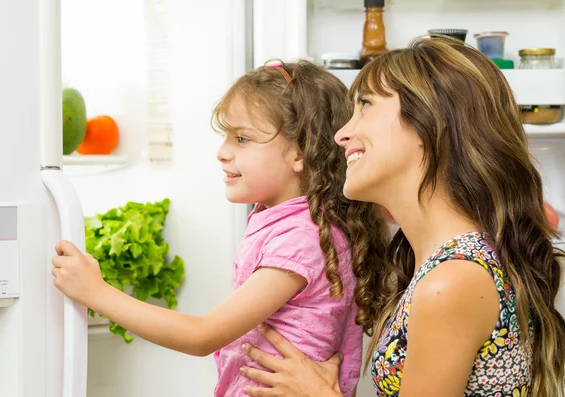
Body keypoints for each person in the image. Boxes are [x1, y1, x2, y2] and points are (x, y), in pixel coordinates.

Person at [239, 37, 565, 397]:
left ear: (428, 124)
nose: (342, 134)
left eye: (365, 105)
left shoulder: (452, 281)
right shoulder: (451, 264)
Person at [50, 60, 388, 396]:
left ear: (299, 152)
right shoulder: (286, 221)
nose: (222, 153)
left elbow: (203, 336)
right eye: (225, 136)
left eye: (242, 138)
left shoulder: (301, 239)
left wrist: (96, 292)